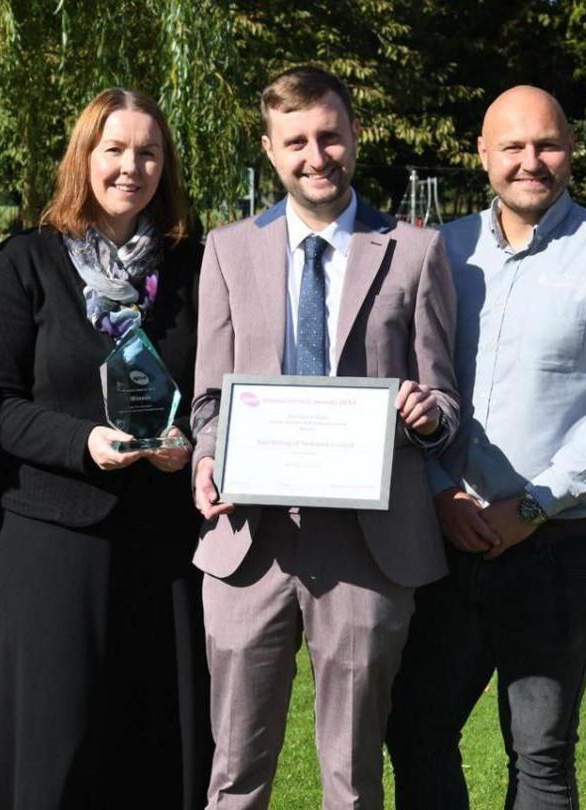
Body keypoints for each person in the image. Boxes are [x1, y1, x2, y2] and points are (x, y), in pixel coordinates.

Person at [384, 86, 586, 809]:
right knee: (414, 729)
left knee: (540, 757)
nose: (530, 161)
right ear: (482, 154)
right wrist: (439, 491)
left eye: (546, 144)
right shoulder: (440, 251)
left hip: (559, 549)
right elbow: (412, 386)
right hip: (447, 542)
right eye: (512, 146)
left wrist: (534, 507)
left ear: (571, 149)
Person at [190, 65, 459, 809]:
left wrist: (427, 413)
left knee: (352, 778)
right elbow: (209, 396)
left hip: (367, 548)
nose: (317, 156)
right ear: (272, 150)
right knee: (235, 774)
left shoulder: (414, 250)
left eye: (330, 136)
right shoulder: (228, 249)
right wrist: (208, 458)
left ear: (354, 137)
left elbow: (446, 398)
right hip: (250, 544)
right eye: (297, 141)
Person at [0, 87, 211, 809]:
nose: (131, 166)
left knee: (155, 739)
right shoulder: (27, 262)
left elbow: (218, 387)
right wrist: (84, 442)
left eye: (148, 152)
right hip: (49, 538)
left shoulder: (195, 268)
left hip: (165, 545)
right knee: (53, 742)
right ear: (85, 158)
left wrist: (191, 445)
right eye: (114, 149)